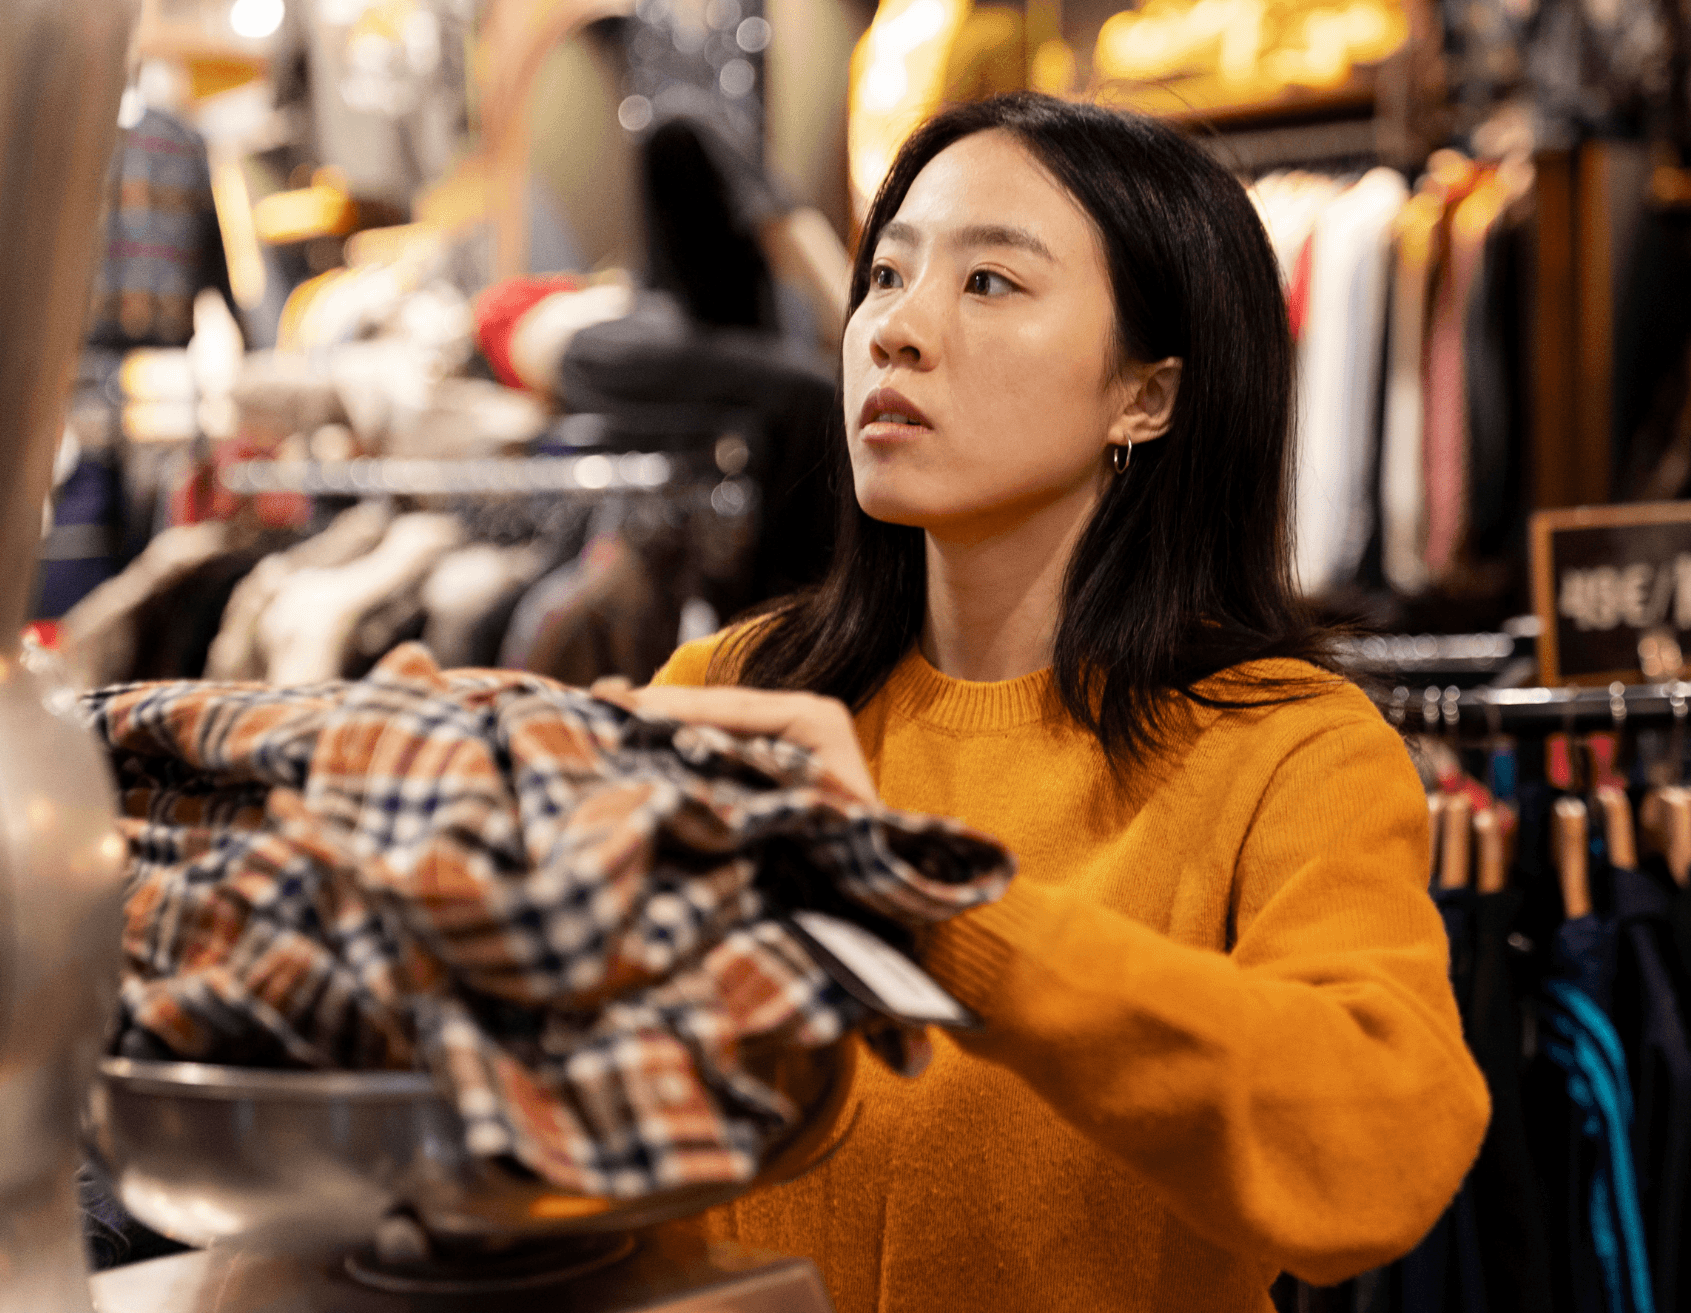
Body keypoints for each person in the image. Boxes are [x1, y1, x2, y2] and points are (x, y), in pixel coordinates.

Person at [621, 93, 1487, 1313]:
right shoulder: (731, 696)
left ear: (1148, 394)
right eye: (886, 273)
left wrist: (932, 908)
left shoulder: (1287, 749)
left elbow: (1378, 1151)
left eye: (988, 283)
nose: (895, 331)